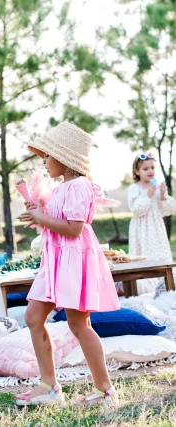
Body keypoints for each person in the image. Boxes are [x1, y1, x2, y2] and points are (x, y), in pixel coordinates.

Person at [17, 121, 120, 407]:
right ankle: (49, 386)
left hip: (74, 260)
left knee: (78, 323)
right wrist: (39, 213)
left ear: (64, 158)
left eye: (48, 156)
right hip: (56, 259)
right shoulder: (63, 187)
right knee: (33, 317)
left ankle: (104, 391)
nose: (44, 161)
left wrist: (42, 217)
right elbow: (56, 223)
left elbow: (74, 229)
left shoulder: (80, 185)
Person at [128, 153, 176, 294]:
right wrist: (148, 195)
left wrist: (162, 195)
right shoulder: (134, 189)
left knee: (159, 254)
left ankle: (165, 287)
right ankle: (145, 289)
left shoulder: (157, 187)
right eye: (145, 169)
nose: (150, 171)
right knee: (144, 255)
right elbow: (137, 210)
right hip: (141, 229)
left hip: (156, 228)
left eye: (152, 168)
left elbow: (169, 210)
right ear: (137, 171)